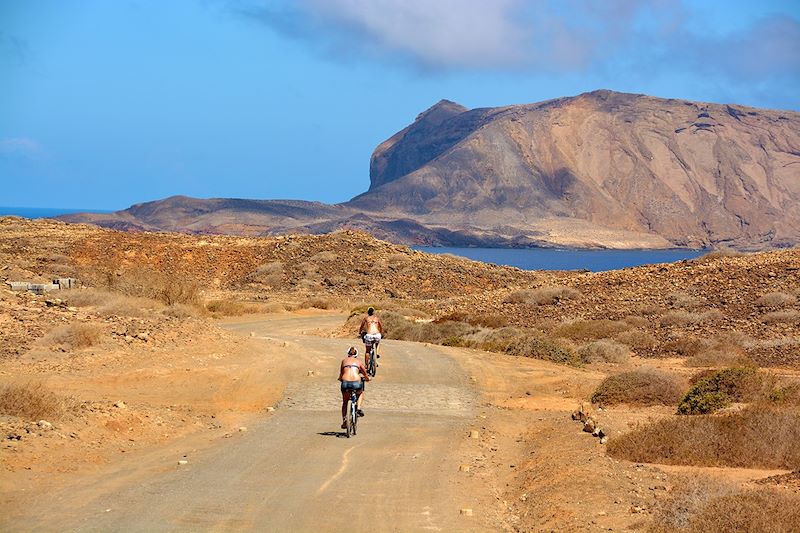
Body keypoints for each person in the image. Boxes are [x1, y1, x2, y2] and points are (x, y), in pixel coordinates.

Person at [338, 346, 369, 429]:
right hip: (356, 382)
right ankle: (358, 409)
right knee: (361, 393)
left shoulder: (344, 361)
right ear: (356, 354)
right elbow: (364, 373)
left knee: (345, 402)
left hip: (345, 383)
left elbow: (341, 373)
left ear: (348, 353)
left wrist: (340, 379)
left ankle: (344, 422)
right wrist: (367, 378)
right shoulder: (358, 362)